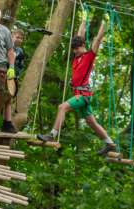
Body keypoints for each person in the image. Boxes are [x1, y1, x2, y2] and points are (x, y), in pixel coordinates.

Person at [37, 11, 116, 155]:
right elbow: (80, 33)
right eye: (74, 50)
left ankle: (52, 134)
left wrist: (105, 22)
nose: (75, 52)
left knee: (62, 107)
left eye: (77, 49)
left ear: (82, 46)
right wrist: (84, 19)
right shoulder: (77, 56)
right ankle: (110, 143)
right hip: (79, 94)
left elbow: (98, 39)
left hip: (83, 95)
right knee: (91, 122)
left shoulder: (89, 56)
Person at [2, 28, 26, 127]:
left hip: (12, 78)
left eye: (21, 38)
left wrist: (16, 76)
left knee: (8, 100)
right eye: (17, 37)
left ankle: (7, 123)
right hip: (2, 75)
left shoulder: (20, 51)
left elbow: (15, 58)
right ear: (11, 37)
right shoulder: (4, 47)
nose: (19, 40)